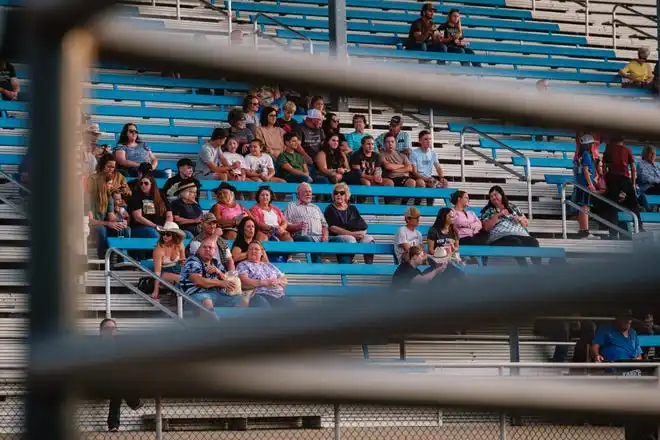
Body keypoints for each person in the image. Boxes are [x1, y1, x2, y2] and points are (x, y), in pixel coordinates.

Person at [179, 238, 268, 310]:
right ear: (198, 250)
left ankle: (233, 325)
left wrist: (219, 272)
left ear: (214, 251)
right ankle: (212, 329)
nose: (207, 249)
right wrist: (221, 283)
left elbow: (228, 281)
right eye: (204, 247)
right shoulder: (193, 260)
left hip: (216, 294)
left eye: (210, 248)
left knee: (242, 300)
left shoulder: (216, 262)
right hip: (195, 295)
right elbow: (198, 281)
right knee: (206, 301)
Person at [480, 185, 540, 266]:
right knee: (515, 242)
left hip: (519, 233)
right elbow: (486, 227)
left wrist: (520, 219)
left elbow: (525, 224)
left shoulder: (513, 207)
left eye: (495, 195)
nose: (493, 197)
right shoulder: (488, 210)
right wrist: (498, 215)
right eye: (491, 196)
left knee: (534, 242)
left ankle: (538, 267)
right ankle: (524, 267)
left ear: (502, 195)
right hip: (499, 237)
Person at [101, 318, 143, 432]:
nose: (110, 331)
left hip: (115, 382)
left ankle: (113, 426)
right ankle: (134, 402)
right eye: (107, 328)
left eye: (113, 328)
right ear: (101, 331)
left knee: (117, 391)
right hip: (99, 381)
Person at [324, 182, 375, 264]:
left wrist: (361, 234)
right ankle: (348, 264)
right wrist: (352, 234)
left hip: (355, 235)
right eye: (336, 193)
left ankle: (369, 267)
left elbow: (364, 227)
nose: (338, 195)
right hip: (337, 237)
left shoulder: (352, 208)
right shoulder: (330, 209)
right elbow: (332, 228)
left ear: (346, 195)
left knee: (369, 239)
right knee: (350, 239)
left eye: (342, 193)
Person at [602, 136, 643, 238]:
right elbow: (633, 169)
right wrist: (633, 184)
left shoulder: (608, 150)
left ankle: (613, 232)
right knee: (634, 204)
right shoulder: (627, 150)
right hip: (625, 179)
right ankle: (640, 226)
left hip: (613, 178)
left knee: (612, 206)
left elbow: (604, 167)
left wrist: (606, 181)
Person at [237, 241, 295, 308]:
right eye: (250, 249)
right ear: (247, 252)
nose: (253, 251)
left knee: (293, 309)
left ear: (262, 252)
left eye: (256, 249)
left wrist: (278, 281)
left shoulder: (269, 265)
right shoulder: (243, 264)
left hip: (278, 295)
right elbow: (244, 281)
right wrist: (265, 282)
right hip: (259, 295)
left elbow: (284, 280)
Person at [284, 183, 329, 263]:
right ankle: (318, 265)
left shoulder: (316, 207)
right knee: (308, 239)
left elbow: (324, 225)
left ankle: (345, 269)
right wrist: (297, 226)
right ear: (298, 194)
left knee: (341, 240)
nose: (308, 194)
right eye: (305, 192)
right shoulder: (291, 205)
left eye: (310, 192)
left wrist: (325, 235)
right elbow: (285, 225)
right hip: (301, 236)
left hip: (319, 237)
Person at [88, 173, 129, 259]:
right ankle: (102, 258)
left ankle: (121, 258)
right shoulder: (90, 197)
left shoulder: (109, 197)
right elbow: (90, 221)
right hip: (92, 227)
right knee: (102, 229)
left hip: (104, 225)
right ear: (102, 184)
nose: (111, 186)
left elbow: (111, 217)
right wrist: (108, 223)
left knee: (125, 229)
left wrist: (120, 221)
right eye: (109, 184)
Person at [410, 130, 448, 206]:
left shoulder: (433, 153)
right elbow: (414, 172)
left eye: (430, 139)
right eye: (426, 139)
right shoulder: (414, 153)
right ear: (420, 141)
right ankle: (416, 205)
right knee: (421, 183)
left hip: (429, 178)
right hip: (417, 177)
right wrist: (427, 179)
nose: (429, 141)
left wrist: (442, 178)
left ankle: (430, 207)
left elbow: (438, 167)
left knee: (442, 184)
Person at [151, 221, 186, 300]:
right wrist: (156, 290)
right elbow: (157, 272)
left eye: (168, 234)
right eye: (163, 234)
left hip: (178, 269)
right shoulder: (159, 249)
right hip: (164, 272)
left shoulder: (180, 245)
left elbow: (183, 262)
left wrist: (182, 262)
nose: (165, 236)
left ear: (174, 236)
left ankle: (177, 298)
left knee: (191, 276)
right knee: (182, 279)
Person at [572, 135, 598, 239]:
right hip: (585, 185)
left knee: (582, 207)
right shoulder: (587, 154)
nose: (594, 145)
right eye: (592, 144)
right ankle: (585, 231)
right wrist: (590, 184)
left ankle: (583, 230)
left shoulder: (580, 154)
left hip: (580, 183)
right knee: (585, 207)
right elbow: (586, 170)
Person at [379, 132, 416, 200]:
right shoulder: (382, 155)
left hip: (402, 178)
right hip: (390, 178)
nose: (390, 144)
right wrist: (403, 165)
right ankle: (388, 206)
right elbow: (388, 166)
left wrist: (394, 170)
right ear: (384, 144)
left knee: (412, 182)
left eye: (392, 142)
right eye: (388, 142)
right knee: (389, 183)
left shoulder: (402, 155)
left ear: (395, 143)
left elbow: (410, 168)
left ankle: (403, 204)